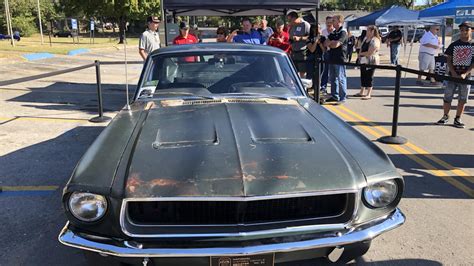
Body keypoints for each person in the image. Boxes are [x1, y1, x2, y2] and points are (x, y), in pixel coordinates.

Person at [436, 21, 473, 128]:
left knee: (463, 98)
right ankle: (445, 116)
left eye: (467, 30)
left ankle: (458, 118)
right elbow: (448, 59)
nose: (464, 32)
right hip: (452, 75)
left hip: (466, 77)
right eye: (462, 30)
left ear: (471, 30)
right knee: (447, 96)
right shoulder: (454, 44)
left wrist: (465, 73)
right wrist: (452, 72)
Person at [325, 14, 348, 104]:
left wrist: (332, 43)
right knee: (332, 78)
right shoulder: (334, 32)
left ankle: (343, 97)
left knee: (341, 78)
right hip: (332, 58)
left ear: (339, 21)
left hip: (340, 59)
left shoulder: (343, 32)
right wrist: (332, 42)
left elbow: (337, 45)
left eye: (333, 21)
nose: (332, 22)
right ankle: (334, 96)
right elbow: (326, 43)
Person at [353, 25, 381, 100]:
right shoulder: (366, 38)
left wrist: (361, 54)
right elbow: (361, 48)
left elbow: (370, 52)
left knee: (369, 76)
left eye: (368, 30)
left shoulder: (375, 40)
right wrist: (360, 54)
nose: (366, 32)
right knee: (363, 75)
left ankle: (369, 93)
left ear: (372, 31)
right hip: (363, 60)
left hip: (371, 61)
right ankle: (362, 91)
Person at [287, 10, 311, 78]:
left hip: (302, 51)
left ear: (294, 18)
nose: (289, 22)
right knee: (293, 70)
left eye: (290, 20)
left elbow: (311, 37)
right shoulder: (292, 26)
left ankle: (303, 86)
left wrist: (300, 38)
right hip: (294, 51)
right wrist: (290, 40)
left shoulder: (305, 24)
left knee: (302, 71)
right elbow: (290, 37)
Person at [320, 16, 334, 93]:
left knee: (333, 72)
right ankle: (323, 87)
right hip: (326, 52)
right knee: (325, 70)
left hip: (334, 52)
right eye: (327, 23)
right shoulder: (323, 32)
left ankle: (333, 88)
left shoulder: (335, 31)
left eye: (330, 22)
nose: (329, 24)